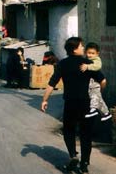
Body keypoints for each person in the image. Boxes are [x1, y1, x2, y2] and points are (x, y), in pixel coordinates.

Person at [41, 37, 106, 174]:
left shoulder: (63, 64)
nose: (83, 48)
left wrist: (45, 100)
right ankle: (84, 164)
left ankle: (73, 155)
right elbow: (103, 80)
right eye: (81, 46)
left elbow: (52, 83)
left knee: (69, 130)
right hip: (87, 104)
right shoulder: (87, 63)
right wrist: (98, 93)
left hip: (70, 103)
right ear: (75, 48)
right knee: (86, 133)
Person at [80, 42, 111, 121]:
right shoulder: (87, 60)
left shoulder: (96, 60)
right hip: (91, 84)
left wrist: (87, 66)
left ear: (97, 54)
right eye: (88, 53)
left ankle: (93, 109)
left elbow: (97, 66)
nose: (90, 55)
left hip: (95, 84)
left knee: (94, 97)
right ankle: (106, 113)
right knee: (99, 100)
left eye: (92, 53)